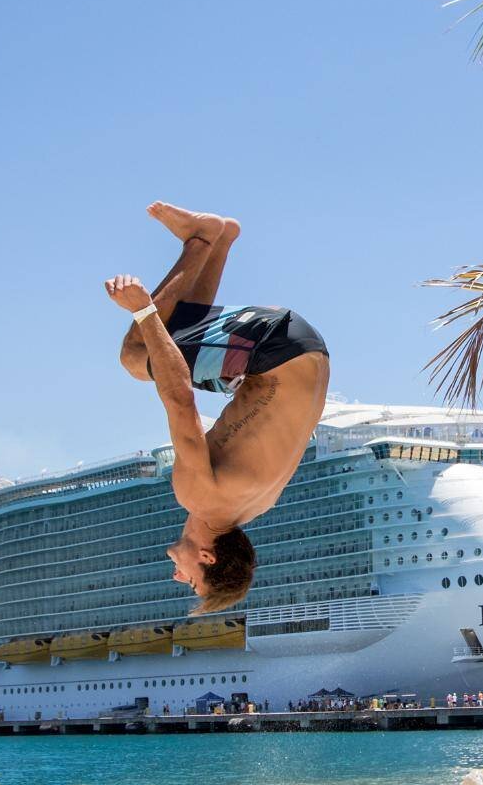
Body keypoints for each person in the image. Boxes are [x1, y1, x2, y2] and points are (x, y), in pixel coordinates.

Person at [106, 202, 331, 613]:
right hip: (273, 347)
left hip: (303, 355)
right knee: (139, 354)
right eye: (191, 584)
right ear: (207, 559)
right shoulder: (201, 498)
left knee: (167, 343)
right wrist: (142, 309)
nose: (178, 578)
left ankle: (217, 239)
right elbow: (179, 401)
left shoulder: (254, 506)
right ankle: (204, 239)